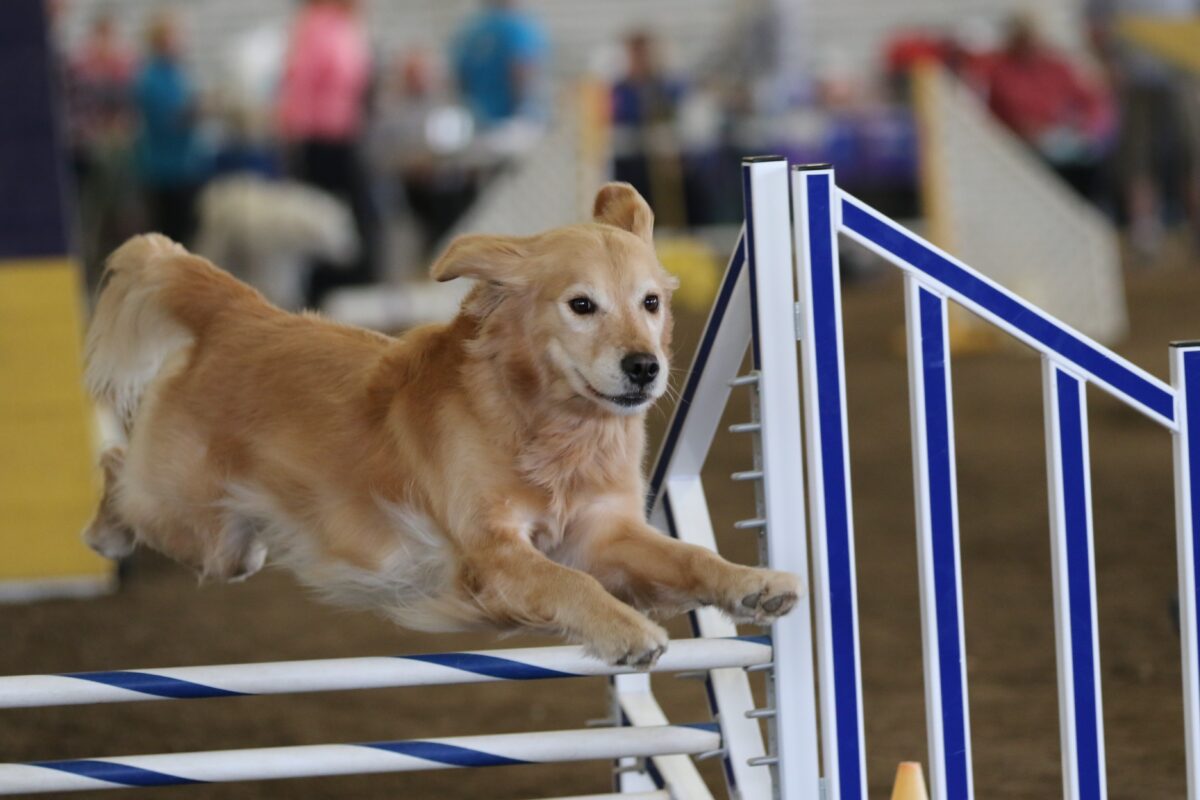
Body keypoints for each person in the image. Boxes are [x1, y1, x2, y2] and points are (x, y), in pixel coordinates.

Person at [277, 0, 376, 306]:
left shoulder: (347, 27)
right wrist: (292, 136)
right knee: (326, 223)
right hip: (319, 141)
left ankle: (352, 295)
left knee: (360, 222)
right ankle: (324, 300)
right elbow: (298, 85)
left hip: (345, 137)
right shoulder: (316, 25)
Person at [1089, 0, 1200, 257]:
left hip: (1182, 76)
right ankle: (1144, 230)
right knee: (1137, 159)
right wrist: (1110, 64)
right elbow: (1095, 24)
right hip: (1135, 80)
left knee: (1193, 154)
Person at [982, 15, 1114, 200]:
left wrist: (1086, 127)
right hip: (1019, 148)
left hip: (1059, 141)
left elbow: (1092, 99)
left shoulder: (1056, 66)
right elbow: (994, 115)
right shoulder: (999, 70)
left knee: (1092, 167)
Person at [133, 13, 209, 244]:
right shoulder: (151, 77)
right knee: (169, 234)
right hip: (164, 170)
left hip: (185, 165)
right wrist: (198, 111)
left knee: (186, 231)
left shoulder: (177, 73)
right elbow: (168, 120)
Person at [451, 0, 548, 130]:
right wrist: (525, 111)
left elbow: (461, 79)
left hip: (478, 119)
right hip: (510, 121)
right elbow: (521, 70)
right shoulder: (518, 27)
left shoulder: (470, 31)